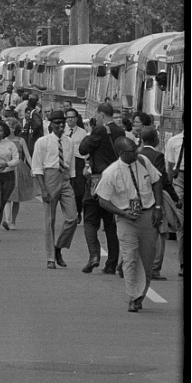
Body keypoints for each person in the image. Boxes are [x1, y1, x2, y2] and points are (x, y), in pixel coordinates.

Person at [95, 137, 163, 312]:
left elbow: (156, 181)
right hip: (126, 219)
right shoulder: (111, 173)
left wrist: (157, 208)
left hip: (148, 215)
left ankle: (141, 293)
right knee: (130, 257)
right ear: (121, 154)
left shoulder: (143, 161)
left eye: (135, 148)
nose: (135, 152)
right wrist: (123, 213)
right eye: (131, 151)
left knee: (147, 261)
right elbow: (103, 200)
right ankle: (133, 297)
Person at [79, 102, 125, 274]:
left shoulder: (99, 131)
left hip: (98, 181)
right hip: (115, 182)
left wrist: (89, 135)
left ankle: (94, 255)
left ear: (101, 115)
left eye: (97, 115)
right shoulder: (121, 131)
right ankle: (111, 263)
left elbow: (83, 149)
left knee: (90, 220)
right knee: (111, 224)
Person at [32, 111, 79, 269]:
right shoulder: (42, 142)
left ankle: (59, 246)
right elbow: (37, 167)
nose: (60, 126)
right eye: (57, 123)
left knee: (72, 217)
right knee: (49, 219)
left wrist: (70, 181)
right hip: (50, 177)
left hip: (65, 178)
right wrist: (43, 189)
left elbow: (71, 165)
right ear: (50, 124)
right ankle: (50, 257)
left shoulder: (69, 141)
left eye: (62, 123)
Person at [137, 127, 180, 281]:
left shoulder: (136, 155)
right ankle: (154, 269)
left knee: (135, 233)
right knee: (160, 233)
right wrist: (175, 198)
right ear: (155, 140)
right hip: (154, 199)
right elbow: (163, 181)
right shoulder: (157, 156)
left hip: (136, 199)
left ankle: (125, 264)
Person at [4, 117, 37, 231]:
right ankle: (7, 221)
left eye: (8, 126)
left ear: (13, 128)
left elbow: (27, 156)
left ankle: (13, 221)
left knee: (16, 197)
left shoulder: (21, 140)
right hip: (7, 168)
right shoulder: (3, 141)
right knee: (7, 196)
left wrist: (33, 168)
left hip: (18, 168)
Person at [164, 114, 184, 277]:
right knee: (180, 221)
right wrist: (170, 191)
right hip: (180, 179)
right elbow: (170, 167)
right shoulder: (174, 141)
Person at [64, 108, 89, 222]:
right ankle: (70, 213)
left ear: (76, 118)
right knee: (67, 189)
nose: (70, 119)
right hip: (65, 162)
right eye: (68, 117)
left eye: (72, 117)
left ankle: (79, 211)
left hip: (79, 161)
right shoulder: (62, 130)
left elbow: (86, 151)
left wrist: (86, 165)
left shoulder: (82, 132)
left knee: (79, 190)